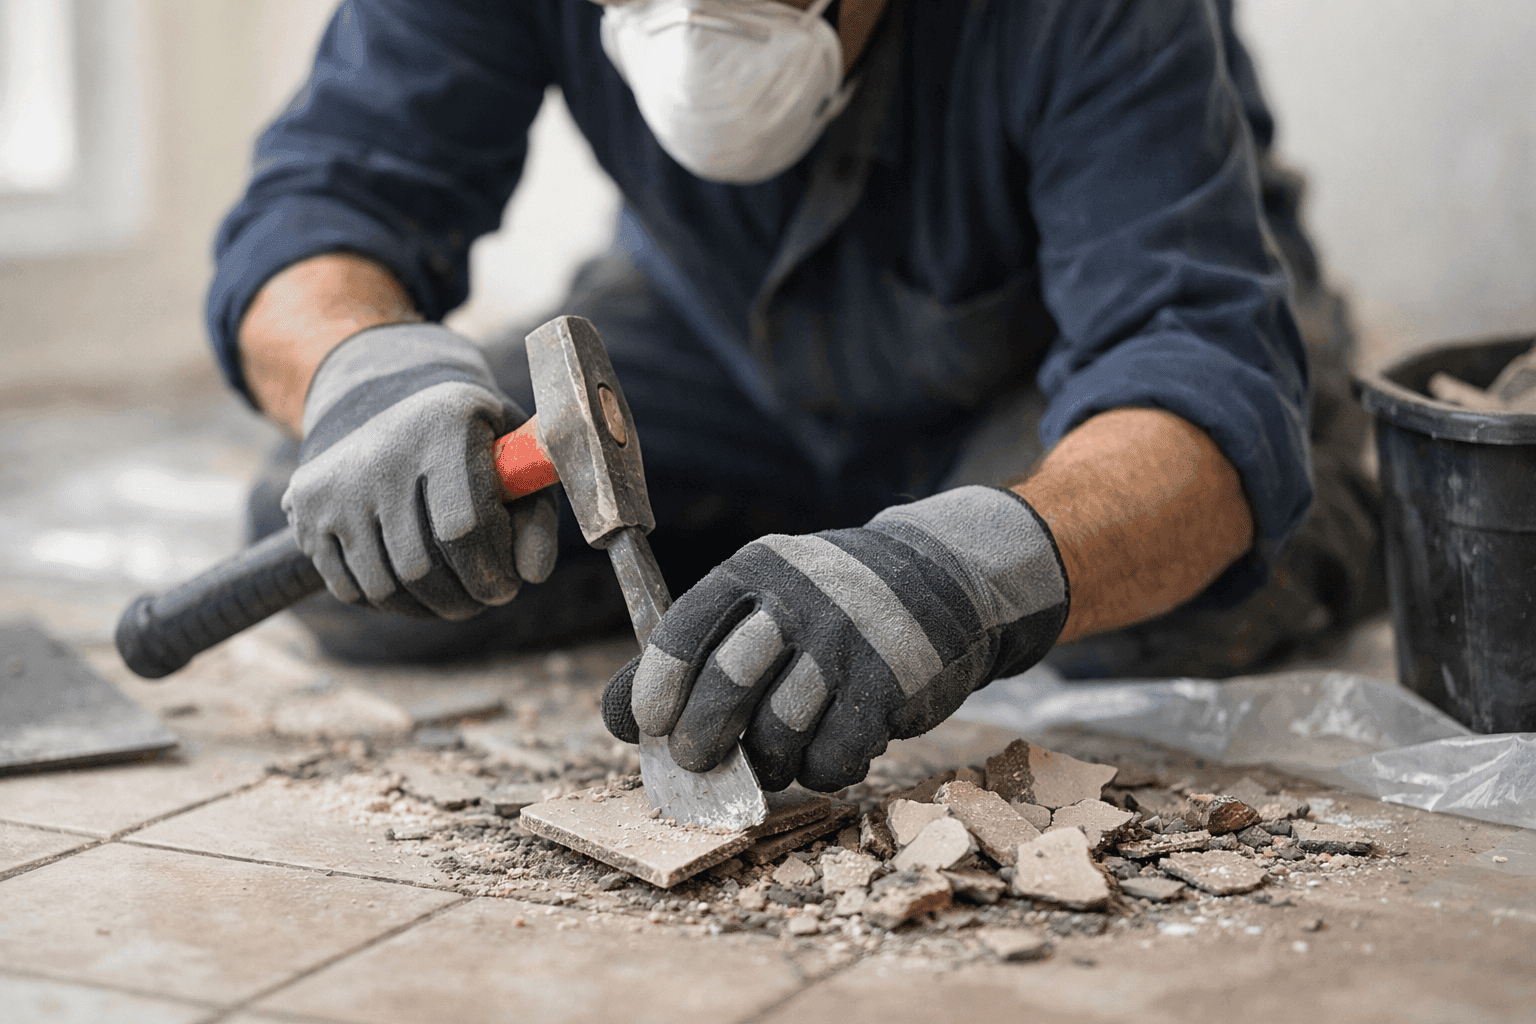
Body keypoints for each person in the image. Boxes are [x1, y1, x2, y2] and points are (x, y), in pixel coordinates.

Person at [219, 0, 1382, 792]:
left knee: (1157, 599)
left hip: (1050, 363)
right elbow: (321, 206)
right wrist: (365, 374)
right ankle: (798, 549)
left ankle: (1316, 480)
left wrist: (962, 571)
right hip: (710, 333)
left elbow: (1189, 366)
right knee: (366, 544)